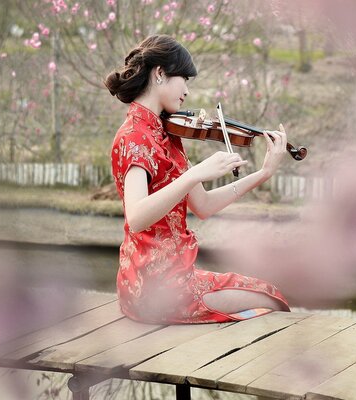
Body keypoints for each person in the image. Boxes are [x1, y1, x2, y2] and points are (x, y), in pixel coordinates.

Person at [104, 34, 290, 324]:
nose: (187, 91)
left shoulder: (167, 136)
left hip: (176, 278)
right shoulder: (135, 137)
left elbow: (203, 205)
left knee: (270, 294)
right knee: (272, 302)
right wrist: (194, 174)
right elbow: (137, 216)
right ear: (160, 73)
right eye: (185, 79)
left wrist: (263, 173)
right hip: (156, 290)